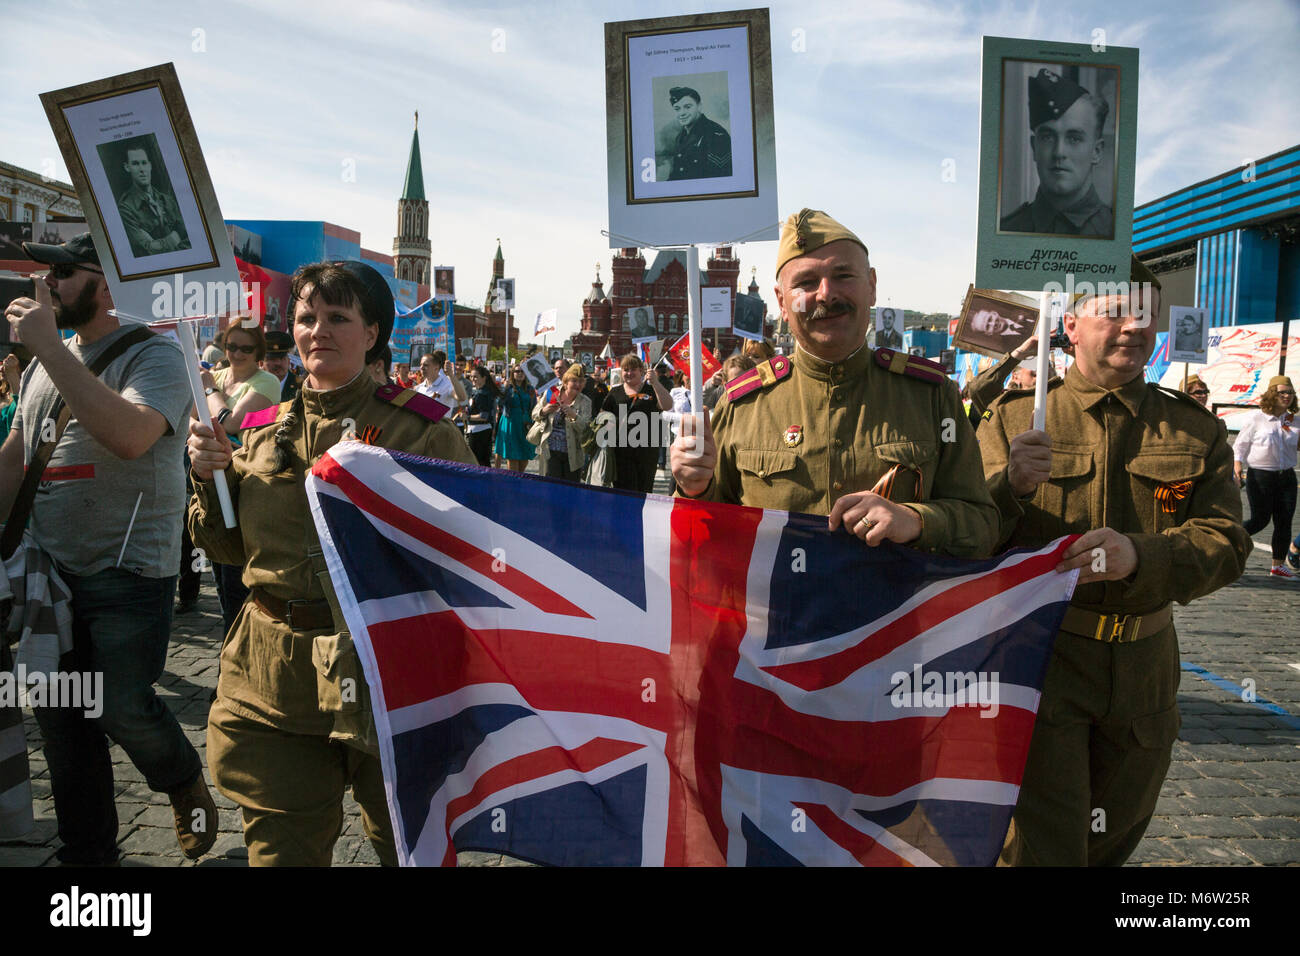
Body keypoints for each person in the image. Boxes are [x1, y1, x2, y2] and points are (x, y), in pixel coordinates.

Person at [187, 260, 475, 866]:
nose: (317, 329)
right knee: (282, 854)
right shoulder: (262, 432)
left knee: (407, 849)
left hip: (390, 672)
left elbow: (468, 549)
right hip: (273, 680)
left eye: (337, 317)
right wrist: (207, 477)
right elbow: (226, 550)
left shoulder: (422, 432)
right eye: (305, 317)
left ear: (372, 333)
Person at [980, 256, 1250, 866]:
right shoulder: (1016, 419)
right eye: (1114, 312)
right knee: (1048, 846)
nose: (1133, 327)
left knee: (1113, 839)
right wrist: (1009, 489)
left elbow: (1228, 542)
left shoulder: (1191, 428)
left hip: (1145, 669)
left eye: (1144, 315)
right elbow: (968, 534)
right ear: (1070, 325)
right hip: (1046, 661)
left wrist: (1143, 556)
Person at [1, 232, 215, 864]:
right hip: (49, 574)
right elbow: (17, 458)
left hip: (128, 571)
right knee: (64, 727)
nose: (51, 284)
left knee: (122, 706)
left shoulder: (158, 358)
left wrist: (46, 348)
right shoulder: (48, 360)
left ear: (109, 284)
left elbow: (129, 435)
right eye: (51, 273)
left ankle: (182, 780)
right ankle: (88, 859)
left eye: (66, 271)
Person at [671, 208, 999, 559]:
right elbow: (696, 543)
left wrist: (916, 520)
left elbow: (984, 527)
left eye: (843, 275)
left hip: (896, 613)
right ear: (782, 302)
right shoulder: (741, 405)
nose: (826, 294)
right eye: (806, 283)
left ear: (872, 286)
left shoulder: (932, 396)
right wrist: (693, 491)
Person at [1000, 69, 1114, 237]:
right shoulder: (1007, 231)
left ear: (1096, 151)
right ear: (1034, 148)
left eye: (1074, 139)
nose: (1059, 152)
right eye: (1047, 137)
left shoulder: (1116, 232)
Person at [1233, 375, 1299, 579]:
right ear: (1272, 394)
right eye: (1282, 392)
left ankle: (1278, 566)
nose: (1287, 396)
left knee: (1284, 521)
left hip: (1286, 476)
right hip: (1261, 475)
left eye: (1290, 392)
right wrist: (1237, 467)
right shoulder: (1257, 418)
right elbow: (1240, 445)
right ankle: (1228, 543)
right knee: (1260, 520)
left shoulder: (1294, 420)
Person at [603, 354, 672, 493]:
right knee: (622, 493)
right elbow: (602, 415)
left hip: (647, 453)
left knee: (643, 492)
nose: (629, 373)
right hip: (620, 453)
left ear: (641, 371)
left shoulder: (652, 389)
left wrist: (656, 383)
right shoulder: (615, 392)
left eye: (633, 369)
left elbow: (667, 405)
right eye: (625, 370)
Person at [116, 146, 191, 256]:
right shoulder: (125, 209)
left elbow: (191, 238)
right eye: (136, 164)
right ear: (127, 167)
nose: (142, 169)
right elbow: (149, 250)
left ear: (150, 165)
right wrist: (177, 235)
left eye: (144, 163)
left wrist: (160, 245)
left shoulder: (167, 200)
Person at [532, 364, 591, 482]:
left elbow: (585, 428)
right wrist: (544, 410)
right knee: (551, 489)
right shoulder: (552, 393)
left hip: (573, 454)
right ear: (566, 381)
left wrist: (574, 416)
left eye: (581, 381)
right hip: (550, 452)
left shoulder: (585, 401)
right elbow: (534, 414)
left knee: (570, 491)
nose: (578, 385)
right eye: (574, 381)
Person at [967, 337, 1041, 429]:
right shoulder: (1004, 404)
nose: (1041, 367)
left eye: (1047, 364)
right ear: (1016, 376)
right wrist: (1017, 355)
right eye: (1033, 364)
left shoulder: (1057, 398)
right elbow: (977, 387)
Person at [664, 86, 733, 181]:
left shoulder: (716, 135)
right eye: (677, 109)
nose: (681, 113)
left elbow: (720, 179)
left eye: (687, 107)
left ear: (699, 107)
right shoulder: (681, 136)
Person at [495, 364, 536, 473]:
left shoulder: (530, 389)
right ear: (512, 374)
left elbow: (534, 406)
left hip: (525, 424)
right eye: (517, 371)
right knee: (513, 456)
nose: (520, 373)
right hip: (511, 423)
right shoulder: (508, 388)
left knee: (524, 457)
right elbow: (500, 403)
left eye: (522, 371)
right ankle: (513, 484)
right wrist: (504, 389)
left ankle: (518, 481)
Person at [464, 363, 501, 466]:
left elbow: (484, 416)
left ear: (484, 378)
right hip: (477, 430)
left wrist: (467, 417)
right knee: (480, 462)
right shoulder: (479, 392)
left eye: (476, 376)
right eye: (471, 376)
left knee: (479, 463)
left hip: (480, 432)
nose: (473, 379)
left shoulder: (483, 394)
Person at [261, 329, 302, 402]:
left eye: (282, 358)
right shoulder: (252, 385)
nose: (278, 363)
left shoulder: (301, 386)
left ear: (289, 361)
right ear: (261, 363)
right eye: (272, 359)